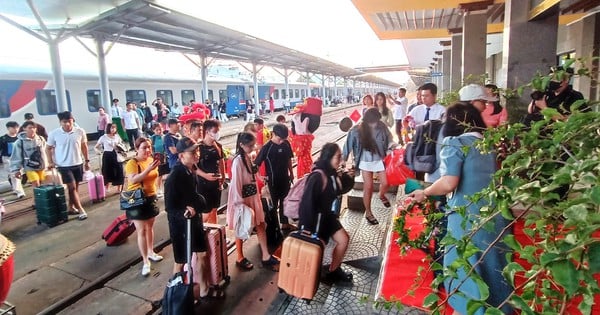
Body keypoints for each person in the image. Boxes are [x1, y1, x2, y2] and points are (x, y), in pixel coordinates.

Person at [409, 102, 513, 315]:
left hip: (467, 218)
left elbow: (449, 182)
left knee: (465, 272)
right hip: (495, 216)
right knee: (492, 272)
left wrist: (425, 192)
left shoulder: (455, 142)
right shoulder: (488, 143)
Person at [164, 136, 219, 298]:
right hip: (180, 226)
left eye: (197, 150)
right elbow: (169, 208)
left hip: (194, 222)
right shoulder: (174, 177)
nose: (196, 154)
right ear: (181, 156)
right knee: (180, 262)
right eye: (192, 152)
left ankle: (204, 290)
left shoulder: (191, 170)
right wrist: (184, 212)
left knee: (202, 254)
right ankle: (175, 295)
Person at [298, 143, 354, 283]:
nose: (341, 160)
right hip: (315, 222)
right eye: (338, 157)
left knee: (343, 240)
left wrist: (348, 178)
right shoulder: (317, 176)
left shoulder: (332, 173)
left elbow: (338, 190)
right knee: (315, 252)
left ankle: (333, 270)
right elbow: (306, 204)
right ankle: (307, 282)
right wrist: (306, 228)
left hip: (327, 217)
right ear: (328, 157)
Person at [226, 132, 279, 271]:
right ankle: (239, 256)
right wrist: (238, 203)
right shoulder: (237, 161)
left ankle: (266, 255)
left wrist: (261, 180)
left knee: (260, 223)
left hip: (252, 195)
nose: (253, 147)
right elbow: (235, 183)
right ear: (242, 145)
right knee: (241, 226)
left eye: (253, 145)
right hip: (242, 199)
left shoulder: (246, 156)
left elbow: (253, 174)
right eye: (250, 145)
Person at [342, 108, 395, 225]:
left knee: (386, 183)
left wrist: (392, 146)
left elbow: (390, 139)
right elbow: (347, 145)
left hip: (379, 158)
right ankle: (368, 213)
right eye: (372, 121)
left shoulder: (382, 126)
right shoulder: (357, 129)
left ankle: (381, 195)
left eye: (376, 121)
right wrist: (343, 159)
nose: (374, 124)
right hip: (364, 160)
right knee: (369, 187)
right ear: (366, 120)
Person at [124, 137, 163, 276]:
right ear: (137, 149)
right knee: (141, 231)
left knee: (150, 227)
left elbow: (155, 176)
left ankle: (151, 251)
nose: (147, 150)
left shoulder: (151, 160)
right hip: (137, 199)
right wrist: (148, 170)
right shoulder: (132, 163)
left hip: (151, 197)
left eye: (149, 147)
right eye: (143, 148)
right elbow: (133, 179)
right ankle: (145, 261)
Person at [46, 111, 89, 220]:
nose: (67, 124)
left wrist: (87, 161)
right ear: (60, 122)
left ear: (73, 120)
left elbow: (84, 146)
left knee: (75, 188)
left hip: (78, 163)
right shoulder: (54, 133)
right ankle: (80, 209)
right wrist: (50, 161)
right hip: (63, 165)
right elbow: (48, 148)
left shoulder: (80, 131)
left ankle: (70, 207)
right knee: (72, 187)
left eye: (69, 121)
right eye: (64, 122)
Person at [254, 124, 295, 231]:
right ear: (274, 134)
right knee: (273, 205)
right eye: (280, 139)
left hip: (285, 179)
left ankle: (285, 224)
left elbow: (289, 159)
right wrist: (259, 177)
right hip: (272, 181)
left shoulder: (286, 144)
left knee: (285, 202)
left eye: (284, 139)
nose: (282, 141)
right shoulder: (266, 148)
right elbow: (256, 164)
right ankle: (274, 227)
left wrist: (291, 172)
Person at [195, 120, 226, 224]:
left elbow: (221, 161)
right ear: (207, 132)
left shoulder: (218, 146)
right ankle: (199, 232)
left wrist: (223, 177)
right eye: (215, 131)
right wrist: (205, 175)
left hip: (216, 183)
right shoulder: (198, 147)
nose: (217, 133)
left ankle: (214, 233)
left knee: (214, 209)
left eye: (218, 131)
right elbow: (193, 167)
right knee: (205, 212)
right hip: (203, 184)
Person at [10, 121, 48, 189]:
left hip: (42, 166)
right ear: (24, 128)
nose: (32, 129)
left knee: (44, 185)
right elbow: (16, 157)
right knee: (36, 183)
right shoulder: (20, 142)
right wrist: (16, 170)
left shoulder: (41, 139)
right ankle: (37, 198)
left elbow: (46, 152)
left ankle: (42, 199)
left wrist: (50, 163)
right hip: (30, 167)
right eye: (30, 128)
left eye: (34, 128)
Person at [94, 123, 125, 193]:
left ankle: (119, 188)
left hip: (117, 154)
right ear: (108, 128)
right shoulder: (103, 137)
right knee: (106, 171)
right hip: (107, 155)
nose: (113, 129)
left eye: (114, 128)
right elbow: (96, 146)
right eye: (111, 128)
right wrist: (97, 151)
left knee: (119, 170)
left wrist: (119, 147)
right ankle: (107, 187)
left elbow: (122, 144)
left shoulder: (117, 136)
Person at [150, 123, 168, 197]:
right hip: (157, 158)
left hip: (166, 157)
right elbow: (150, 148)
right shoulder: (152, 138)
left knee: (168, 173)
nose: (159, 131)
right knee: (159, 175)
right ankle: (159, 189)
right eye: (157, 130)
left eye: (160, 129)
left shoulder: (165, 137)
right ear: (153, 130)